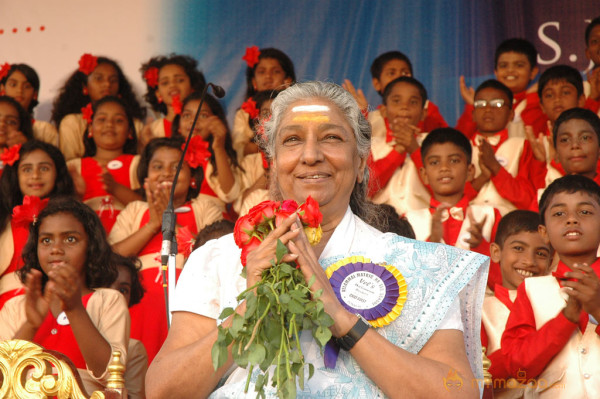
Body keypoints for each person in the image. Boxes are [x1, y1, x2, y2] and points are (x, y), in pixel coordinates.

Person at [146, 81, 488, 398]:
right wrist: (249, 310)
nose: (310, 154)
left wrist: (340, 317)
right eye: (292, 140)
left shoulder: (421, 265)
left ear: (359, 163)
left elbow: (457, 392)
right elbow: (163, 391)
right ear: (274, 163)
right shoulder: (217, 259)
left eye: (332, 138)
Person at [108, 137, 224, 362]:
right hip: (139, 305)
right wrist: (153, 224)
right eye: (157, 167)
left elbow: (212, 253)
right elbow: (112, 258)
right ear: (145, 177)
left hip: (188, 303)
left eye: (177, 167)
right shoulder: (135, 210)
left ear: (192, 178)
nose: (167, 173)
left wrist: (167, 220)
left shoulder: (204, 207)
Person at [0, 197, 130, 394]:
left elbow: (110, 375)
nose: (56, 249)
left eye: (70, 239)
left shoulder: (109, 300)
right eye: (46, 240)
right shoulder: (15, 307)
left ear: (91, 247)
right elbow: (2, 379)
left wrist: (75, 309)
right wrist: (31, 325)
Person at [502, 175, 600, 397]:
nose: (572, 219)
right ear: (544, 233)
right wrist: (565, 320)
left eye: (585, 212)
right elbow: (518, 369)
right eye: (559, 214)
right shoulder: (530, 290)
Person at [404, 128, 502, 288]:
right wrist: (432, 244)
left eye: (454, 160)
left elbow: (501, 282)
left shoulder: (490, 216)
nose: (444, 168)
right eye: (435, 162)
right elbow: (404, 282)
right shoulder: (409, 220)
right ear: (424, 175)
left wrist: (481, 247)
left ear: (470, 171)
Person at [480, 210, 552, 396]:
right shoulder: (481, 311)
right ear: (496, 252)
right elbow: (474, 379)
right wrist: (523, 351)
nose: (529, 261)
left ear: (551, 261)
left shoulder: (558, 303)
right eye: (519, 248)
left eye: (541, 253)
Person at [0, 140, 75, 309]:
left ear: (58, 174)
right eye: (27, 169)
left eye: (44, 168)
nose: (35, 175)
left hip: (58, 302)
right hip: (6, 306)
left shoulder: (74, 218)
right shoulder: (3, 220)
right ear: (15, 176)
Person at [67, 96, 142, 233]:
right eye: (102, 119)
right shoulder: (74, 166)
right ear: (90, 128)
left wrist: (115, 188)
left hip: (129, 234)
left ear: (130, 131)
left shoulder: (137, 163)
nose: (109, 125)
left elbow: (145, 207)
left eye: (118, 120)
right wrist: (77, 195)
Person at [468, 79, 543, 214]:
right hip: (469, 220)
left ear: (511, 114)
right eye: (481, 104)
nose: (488, 109)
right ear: (473, 114)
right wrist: (482, 178)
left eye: (497, 103)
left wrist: (495, 167)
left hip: (509, 221)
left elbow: (527, 199)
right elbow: (451, 197)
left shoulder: (522, 146)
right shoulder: (462, 149)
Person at [52, 54, 145, 161]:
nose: (107, 84)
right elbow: (68, 164)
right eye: (99, 79)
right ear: (85, 87)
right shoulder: (72, 122)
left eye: (113, 80)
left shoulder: (135, 124)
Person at [457, 38, 545, 139]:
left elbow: (540, 135)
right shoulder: (483, 106)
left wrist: (532, 98)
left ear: (533, 72)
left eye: (519, 65)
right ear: (496, 72)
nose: (510, 70)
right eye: (503, 66)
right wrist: (473, 106)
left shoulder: (538, 104)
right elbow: (460, 141)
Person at [368, 76, 431, 215]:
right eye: (396, 101)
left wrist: (414, 149)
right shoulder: (370, 145)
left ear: (423, 113)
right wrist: (398, 152)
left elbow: (442, 188)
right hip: (379, 227)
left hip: (424, 227)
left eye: (413, 102)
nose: (405, 106)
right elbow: (366, 188)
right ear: (383, 111)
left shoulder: (432, 143)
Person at [343, 50, 448, 132]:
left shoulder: (426, 109)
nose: (399, 77)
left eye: (405, 73)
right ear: (377, 84)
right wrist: (361, 117)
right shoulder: (372, 118)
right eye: (391, 73)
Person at [171, 92, 243, 206]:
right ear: (178, 125)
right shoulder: (170, 155)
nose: (193, 121)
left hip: (213, 220)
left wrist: (219, 148)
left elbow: (231, 195)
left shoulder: (218, 156)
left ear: (217, 121)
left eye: (203, 115)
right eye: (186, 115)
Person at [528, 108, 600, 212]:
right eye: (565, 140)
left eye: (585, 138)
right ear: (556, 152)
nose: (575, 145)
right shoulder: (543, 200)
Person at [232, 47, 296, 159]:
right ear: (253, 81)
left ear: (288, 80)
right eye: (262, 72)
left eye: (276, 72)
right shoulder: (244, 114)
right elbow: (239, 149)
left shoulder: (295, 109)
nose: (268, 77)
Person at [139, 54, 206, 145]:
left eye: (179, 80)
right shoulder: (153, 130)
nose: (172, 85)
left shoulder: (204, 124)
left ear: (192, 86)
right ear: (158, 93)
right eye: (165, 83)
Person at [107, 252, 147, 399]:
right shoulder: (65, 325)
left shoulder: (133, 350)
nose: (114, 295)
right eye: (106, 284)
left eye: (123, 290)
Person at [0, 63, 58, 145]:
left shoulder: (44, 130)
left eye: (27, 86)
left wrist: (26, 147)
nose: (19, 90)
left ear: (35, 93)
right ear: (2, 88)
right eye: (13, 85)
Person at [584, 16, 600, 112]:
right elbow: (581, 126)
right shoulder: (581, 89)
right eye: (595, 41)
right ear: (588, 53)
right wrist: (593, 98)